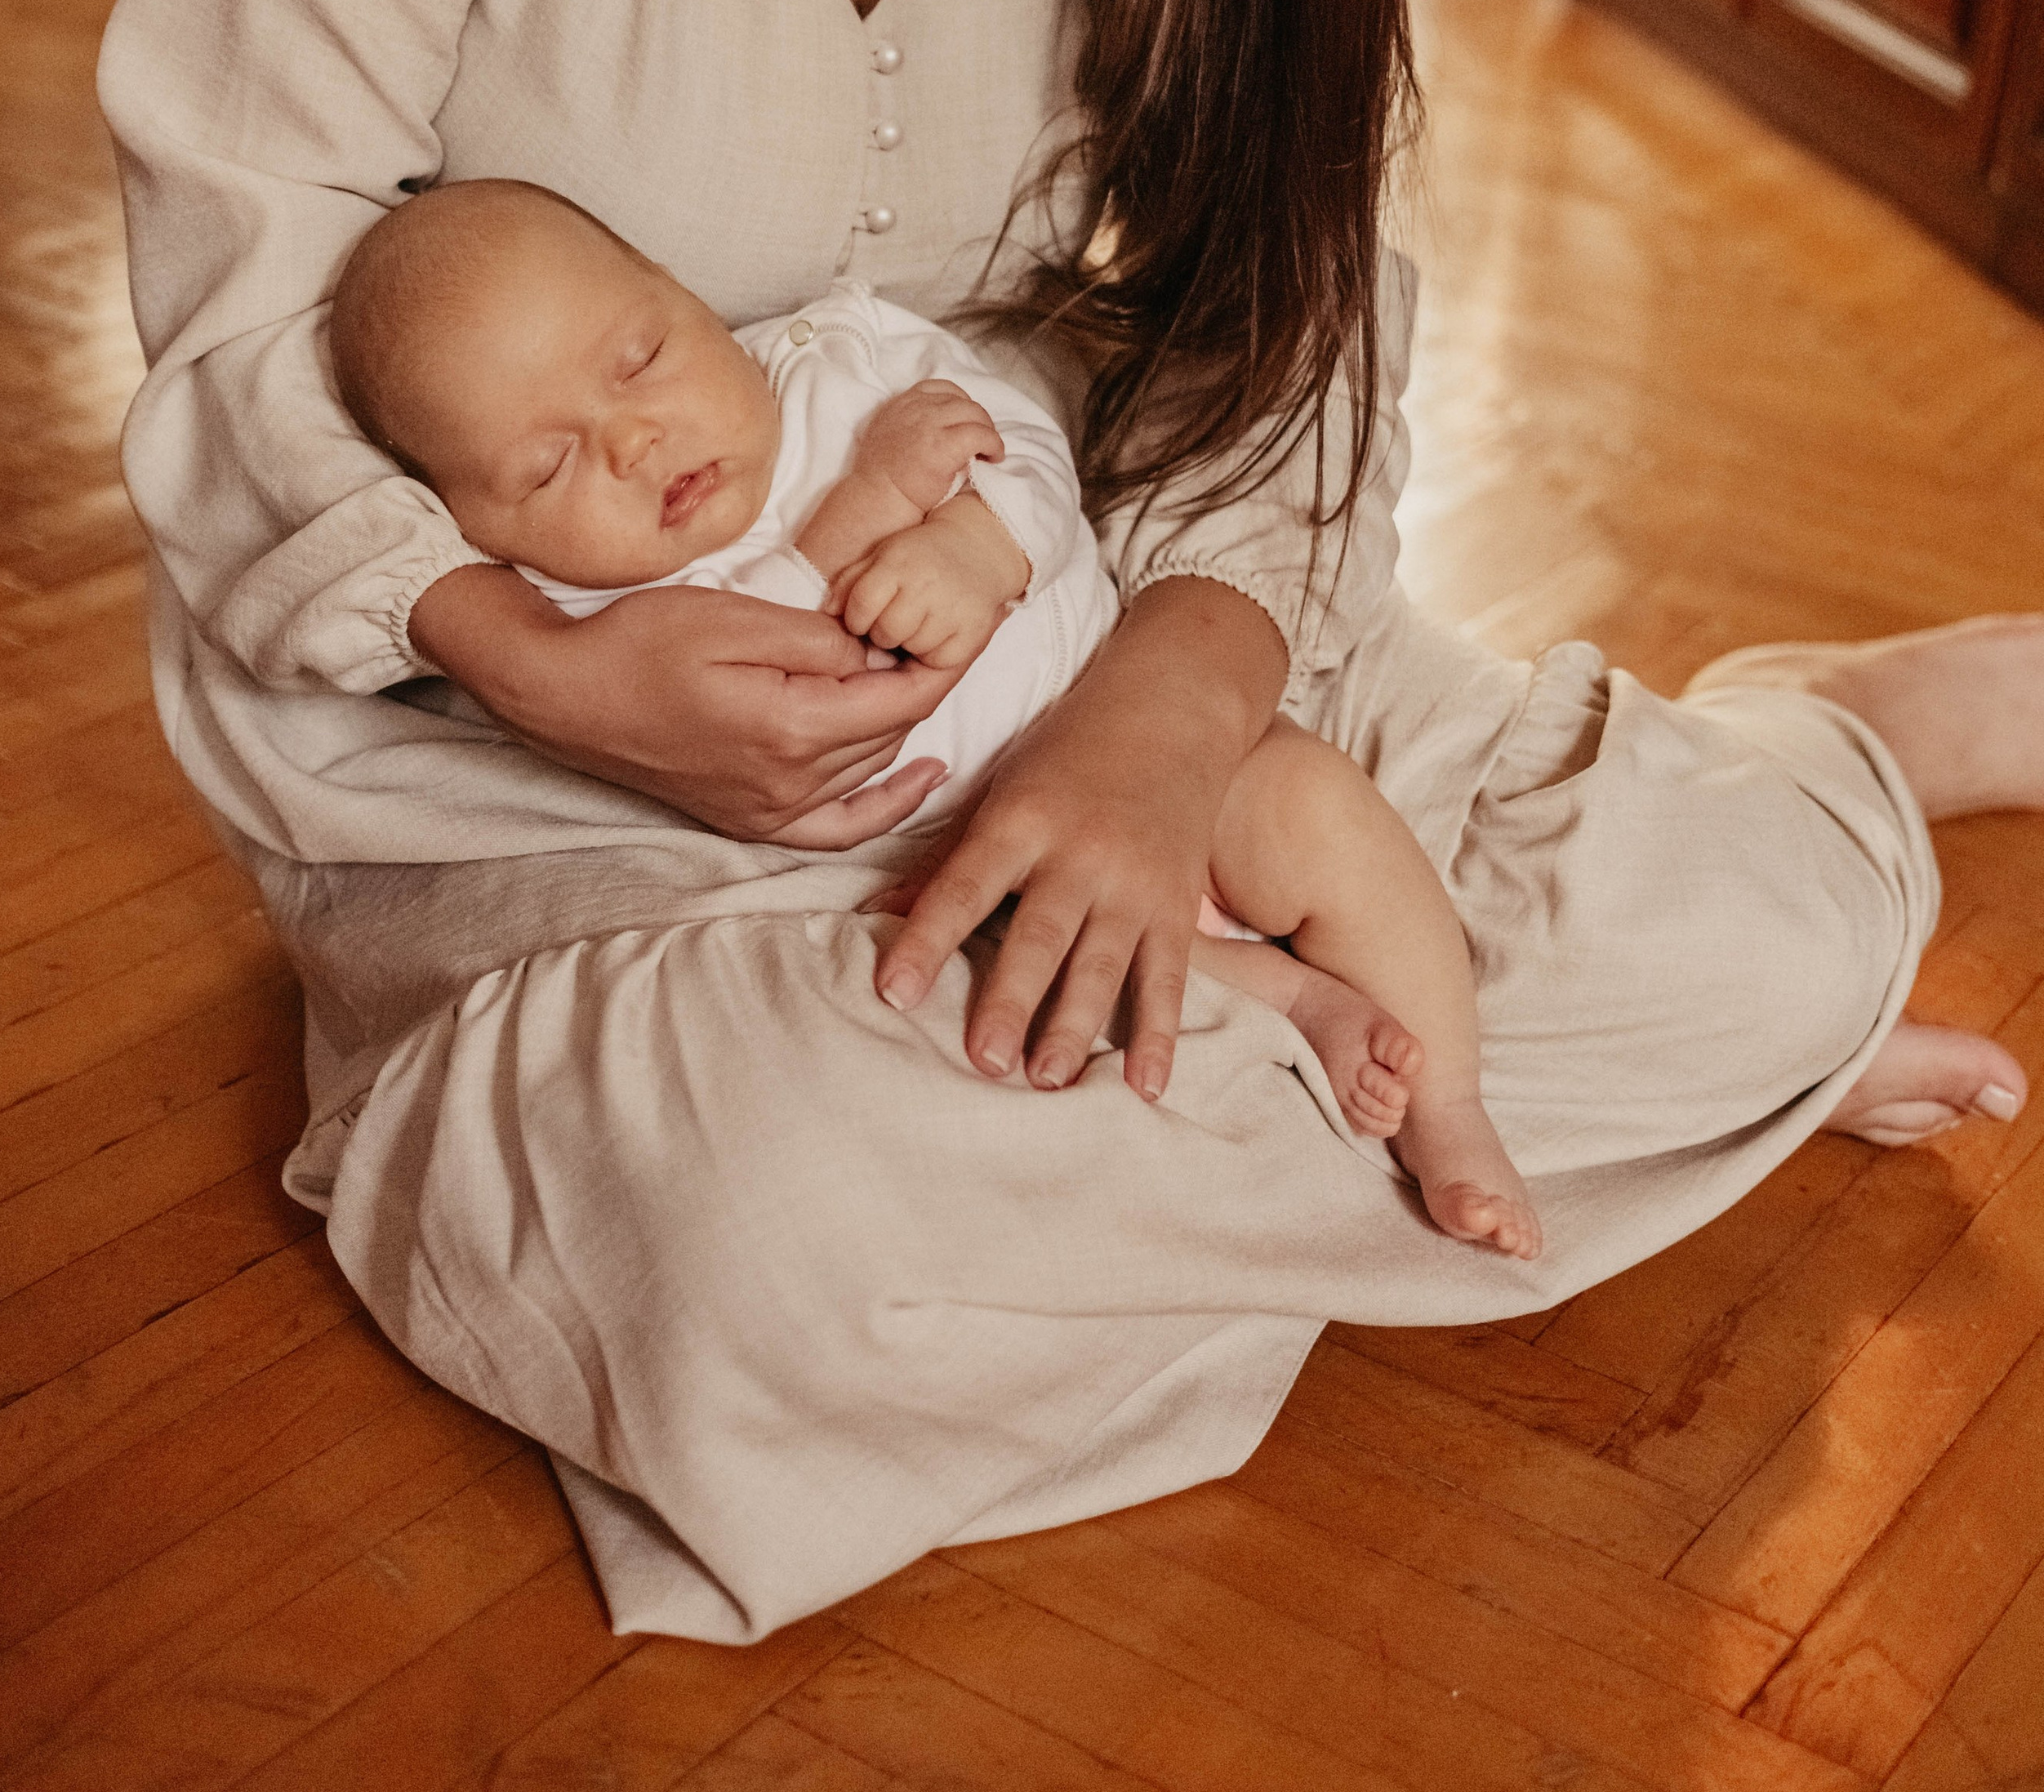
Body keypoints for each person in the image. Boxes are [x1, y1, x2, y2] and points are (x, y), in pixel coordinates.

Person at [98, 0, 2036, 1644]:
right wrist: (535, 655)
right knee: (782, 1228)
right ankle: (1456, 1092)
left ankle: (1797, 778)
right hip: (556, 805)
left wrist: (1161, 723)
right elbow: (245, 244)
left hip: (1095, 642)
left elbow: (1291, 332)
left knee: (1764, 943)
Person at [328, 175, 1541, 1252]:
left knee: (1320, 811)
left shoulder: (837, 362)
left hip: (1129, 729)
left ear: (686, 291)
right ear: (473, 527)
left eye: (641, 357)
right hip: (936, 863)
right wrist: (848, 524)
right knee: (1021, 983)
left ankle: (1451, 1109)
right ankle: (1295, 1000)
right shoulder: (591, 609)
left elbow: (1011, 437)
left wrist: (980, 539)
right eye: (547, 468)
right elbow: (772, 682)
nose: (634, 439)